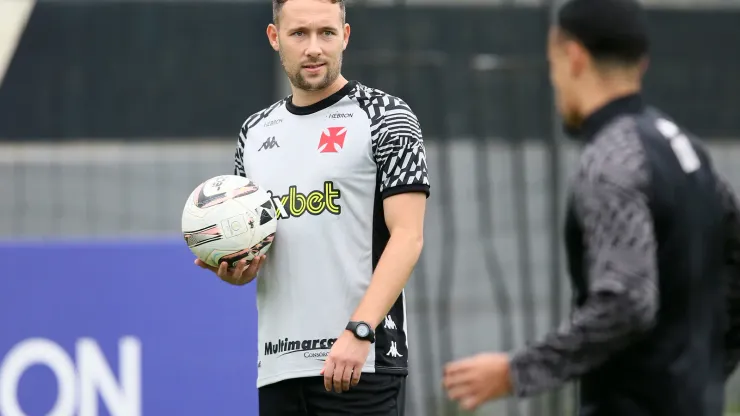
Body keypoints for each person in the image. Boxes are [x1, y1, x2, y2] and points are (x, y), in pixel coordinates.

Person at [442, 0, 740, 414]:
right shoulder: (688, 150)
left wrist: (517, 371)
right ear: (642, 62)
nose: (555, 81)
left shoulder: (610, 161)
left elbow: (628, 302)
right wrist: (704, 376)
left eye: (553, 64)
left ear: (573, 56)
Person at [194, 0, 429, 415]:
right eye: (299, 34)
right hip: (279, 368)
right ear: (274, 38)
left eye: (327, 33)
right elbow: (260, 248)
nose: (314, 48)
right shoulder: (254, 133)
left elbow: (408, 237)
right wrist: (238, 270)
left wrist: (360, 331)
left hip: (362, 362)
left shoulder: (386, 116)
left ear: (346, 36)